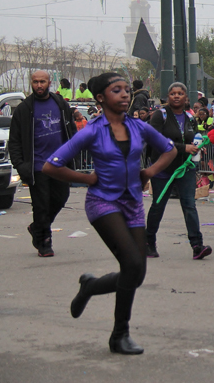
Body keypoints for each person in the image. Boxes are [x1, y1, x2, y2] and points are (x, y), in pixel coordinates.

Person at [43, 72, 178, 354]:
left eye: (127, 89)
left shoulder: (139, 127)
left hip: (133, 203)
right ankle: (120, 335)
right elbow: (51, 165)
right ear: (101, 98)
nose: (125, 94)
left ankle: (91, 287)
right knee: (131, 263)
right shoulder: (92, 130)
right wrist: (87, 179)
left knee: (136, 273)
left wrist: (149, 172)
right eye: (117, 90)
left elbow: (169, 150)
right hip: (103, 202)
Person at [8, 70, 77, 257]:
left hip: (60, 164)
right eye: (36, 82)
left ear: (49, 83)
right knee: (41, 205)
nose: (39, 85)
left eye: (43, 82)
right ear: (31, 83)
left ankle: (37, 227)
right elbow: (14, 141)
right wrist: (20, 165)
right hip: (37, 166)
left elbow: (71, 130)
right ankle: (45, 242)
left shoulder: (60, 104)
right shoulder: (24, 109)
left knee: (61, 198)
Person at [145, 82, 212, 260]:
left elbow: (194, 137)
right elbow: (157, 140)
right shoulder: (160, 115)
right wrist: (184, 148)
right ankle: (148, 242)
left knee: (189, 205)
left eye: (180, 93)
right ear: (168, 97)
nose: (176, 96)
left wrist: (199, 146)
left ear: (186, 98)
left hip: (185, 168)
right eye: (173, 93)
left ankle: (197, 245)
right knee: (158, 205)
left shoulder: (190, 117)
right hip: (163, 168)